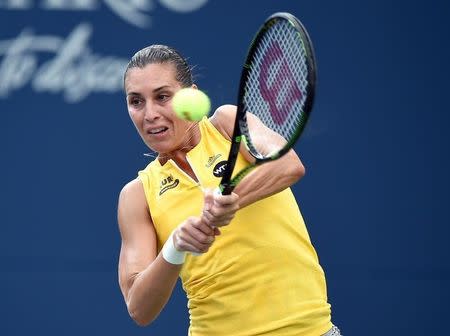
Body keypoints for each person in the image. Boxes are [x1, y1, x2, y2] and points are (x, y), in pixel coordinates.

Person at [117, 44, 342, 336]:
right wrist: (175, 246)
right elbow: (139, 308)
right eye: (136, 101)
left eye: (162, 97)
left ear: (192, 95)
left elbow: (287, 164)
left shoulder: (226, 124)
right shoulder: (137, 195)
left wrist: (231, 200)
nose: (150, 114)